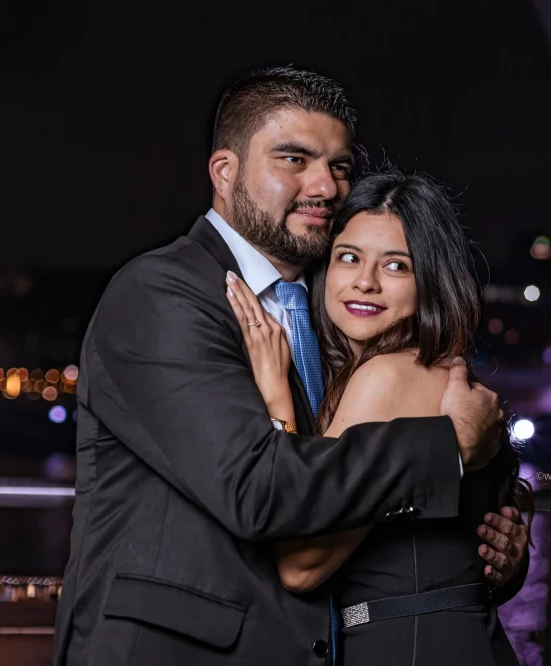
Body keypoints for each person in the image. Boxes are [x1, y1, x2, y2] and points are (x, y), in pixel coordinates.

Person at [54, 68, 528, 666]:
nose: (325, 186)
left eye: (338, 166)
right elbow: (259, 489)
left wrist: (496, 550)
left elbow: (372, 517)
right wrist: (451, 443)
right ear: (224, 172)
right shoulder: (164, 293)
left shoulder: (337, 324)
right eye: (293, 159)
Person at [225, 169, 530, 665]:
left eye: (396, 266)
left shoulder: (388, 376)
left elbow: (301, 567)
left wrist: (277, 396)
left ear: (428, 282)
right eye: (349, 257)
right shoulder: (431, 370)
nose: (364, 282)